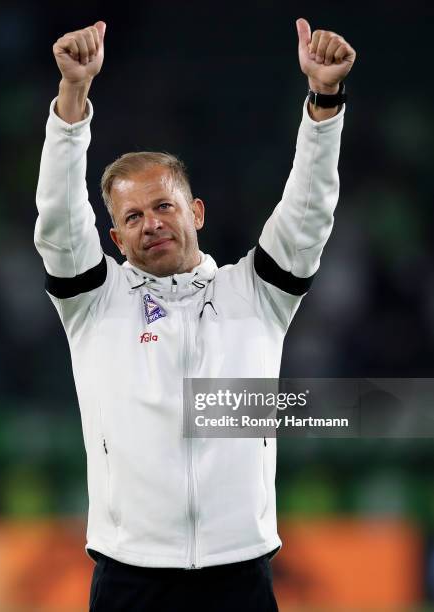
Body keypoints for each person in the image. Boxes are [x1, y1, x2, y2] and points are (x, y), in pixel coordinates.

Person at [34, 17, 356, 612]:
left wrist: (325, 104)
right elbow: (58, 220)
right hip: (130, 576)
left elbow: (309, 212)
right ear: (115, 236)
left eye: (163, 205)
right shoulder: (92, 302)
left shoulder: (258, 293)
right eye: (132, 217)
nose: (151, 223)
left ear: (197, 212)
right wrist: (72, 98)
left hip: (241, 574)